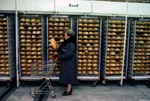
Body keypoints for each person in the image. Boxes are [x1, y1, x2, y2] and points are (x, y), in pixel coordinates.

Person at [57, 29, 77, 96]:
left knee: (69, 75)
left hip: (69, 62)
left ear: (69, 36)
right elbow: (66, 50)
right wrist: (59, 49)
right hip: (67, 61)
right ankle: (69, 89)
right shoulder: (68, 42)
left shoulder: (71, 43)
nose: (64, 36)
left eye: (65, 35)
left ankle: (68, 90)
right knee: (68, 75)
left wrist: (59, 57)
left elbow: (69, 54)